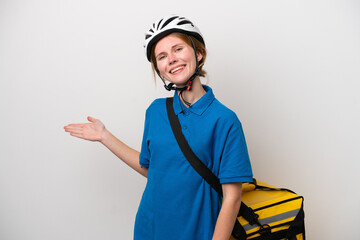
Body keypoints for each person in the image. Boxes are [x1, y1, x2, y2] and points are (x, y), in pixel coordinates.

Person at [64, 15, 253, 240]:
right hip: (149, 229)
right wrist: (105, 136)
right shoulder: (156, 111)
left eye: (178, 49)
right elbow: (154, 170)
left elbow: (232, 198)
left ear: (198, 53)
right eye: (162, 56)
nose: (171, 59)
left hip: (197, 233)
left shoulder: (224, 120)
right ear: (159, 69)